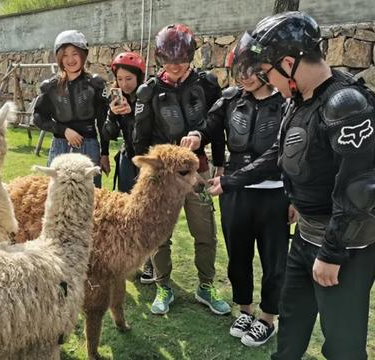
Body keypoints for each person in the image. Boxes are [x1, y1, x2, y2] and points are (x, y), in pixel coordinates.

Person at [206, 11, 375, 359]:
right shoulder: (300, 101)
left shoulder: (346, 105)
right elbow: (281, 153)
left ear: (288, 62)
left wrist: (331, 254)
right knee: (290, 326)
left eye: (268, 73)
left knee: (343, 343)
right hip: (306, 236)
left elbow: (359, 189)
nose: (268, 81)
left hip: (348, 246)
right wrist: (232, 182)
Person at [181, 44, 292, 346]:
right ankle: (245, 309)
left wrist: (293, 197)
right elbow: (210, 124)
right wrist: (197, 135)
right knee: (237, 257)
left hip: (273, 193)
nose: (243, 77)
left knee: (274, 260)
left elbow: (278, 154)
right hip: (235, 195)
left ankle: (268, 317)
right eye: (238, 71)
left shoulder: (286, 103)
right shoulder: (231, 98)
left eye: (250, 70)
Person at [133, 23, 229, 316]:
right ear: (160, 58)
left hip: (197, 169)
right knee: (160, 234)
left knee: (205, 231)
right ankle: (163, 285)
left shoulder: (208, 85)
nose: (175, 66)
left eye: (181, 59)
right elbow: (141, 137)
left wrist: (220, 164)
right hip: (163, 177)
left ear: (191, 55)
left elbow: (218, 126)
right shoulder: (148, 91)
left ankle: (206, 285)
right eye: (168, 60)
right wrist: (149, 172)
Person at [33, 30, 110, 187]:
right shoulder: (51, 87)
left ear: (83, 54)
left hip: (89, 147)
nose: (70, 59)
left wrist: (105, 154)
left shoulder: (95, 85)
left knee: (91, 198)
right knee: (57, 197)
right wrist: (64, 130)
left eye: (75, 53)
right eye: (65, 54)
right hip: (60, 147)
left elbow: (103, 121)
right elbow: (38, 117)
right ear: (59, 57)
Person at [101, 51, 146, 193]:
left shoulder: (148, 97)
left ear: (138, 77)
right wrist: (112, 115)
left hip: (147, 158)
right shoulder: (115, 98)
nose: (124, 84)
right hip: (127, 156)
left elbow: (148, 132)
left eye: (129, 78)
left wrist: (132, 115)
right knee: (125, 204)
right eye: (119, 79)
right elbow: (108, 134)